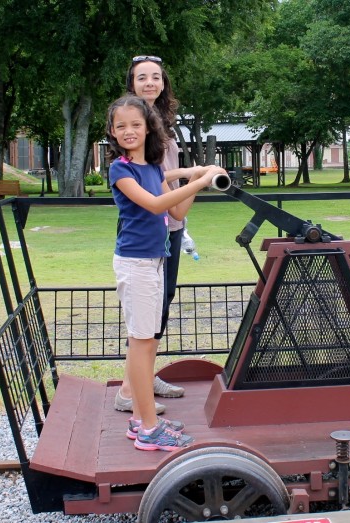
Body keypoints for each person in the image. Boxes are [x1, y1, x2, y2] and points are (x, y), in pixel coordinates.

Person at [105, 95, 223, 451]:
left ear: (148, 128)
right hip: (136, 264)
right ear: (112, 132)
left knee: (146, 344)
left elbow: (177, 211)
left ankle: (142, 419)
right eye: (121, 126)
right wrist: (198, 179)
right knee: (141, 345)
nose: (128, 131)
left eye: (135, 125)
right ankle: (149, 428)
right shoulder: (120, 170)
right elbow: (156, 204)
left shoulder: (154, 168)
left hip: (154, 261)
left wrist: (197, 178)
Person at [114, 55, 213, 414]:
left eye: (156, 77)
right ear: (132, 85)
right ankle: (131, 388)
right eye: (142, 78)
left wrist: (192, 174)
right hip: (149, 231)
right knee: (146, 315)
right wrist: (196, 180)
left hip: (168, 226)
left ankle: (143, 377)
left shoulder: (162, 125)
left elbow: (164, 176)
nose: (150, 83)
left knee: (160, 305)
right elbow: (152, 190)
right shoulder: (136, 128)